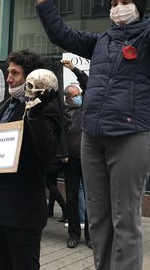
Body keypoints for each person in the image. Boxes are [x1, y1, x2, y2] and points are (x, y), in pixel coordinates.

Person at [27, 0, 150, 269]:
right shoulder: (100, 41)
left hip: (132, 137)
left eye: (125, 1)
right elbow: (61, 34)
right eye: (113, 2)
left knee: (125, 219)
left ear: (138, 8)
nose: (118, 6)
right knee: (99, 220)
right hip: (93, 138)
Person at [0, 49, 62, 270]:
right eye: (8, 72)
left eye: (15, 73)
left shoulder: (48, 109)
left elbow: (47, 152)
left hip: (22, 215)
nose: (9, 78)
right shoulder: (3, 109)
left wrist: (34, 114)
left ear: (30, 78)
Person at [61, 59, 91, 249]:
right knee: (72, 198)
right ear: (68, 99)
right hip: (70, 159)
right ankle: (73, 234)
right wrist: (62, 153)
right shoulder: (63, 112)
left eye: (79, 93)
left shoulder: (86, 107)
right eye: (75, 95)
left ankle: (91, 236)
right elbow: (60, 137)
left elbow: (87, 83)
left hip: (88, 159)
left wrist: (73, 69)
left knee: (91, 199)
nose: (79, 96)